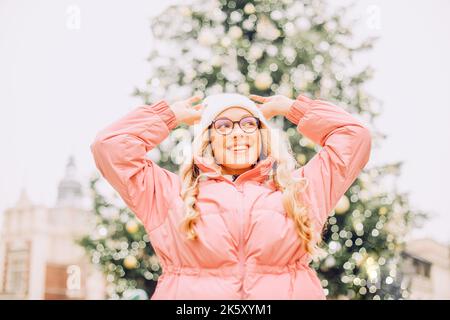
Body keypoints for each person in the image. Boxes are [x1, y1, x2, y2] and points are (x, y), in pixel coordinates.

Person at [90, 91, 372, 299]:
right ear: (208, 138)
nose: (237, 133)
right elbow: (110, 147)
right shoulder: (168, 194)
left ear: (262, 135)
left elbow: (353, 137)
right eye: (223, 125)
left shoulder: (301, 189)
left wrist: (293, 108)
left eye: (249, 123)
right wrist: (169, 116)